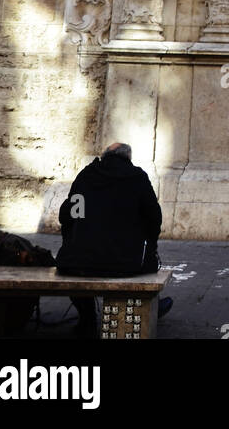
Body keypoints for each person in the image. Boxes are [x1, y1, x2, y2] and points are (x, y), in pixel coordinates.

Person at [56, 141, 173, 336]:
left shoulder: (86, 176)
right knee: (148, 260)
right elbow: (154, 219)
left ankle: (87, 318)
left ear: (104, 156)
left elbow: (67, 215)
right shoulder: (137, 178)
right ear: (128, 157)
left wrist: (74, 241)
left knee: (75, 259)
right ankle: (150, 308)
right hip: (126, 264)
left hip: (78, 263)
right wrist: (149, 245)